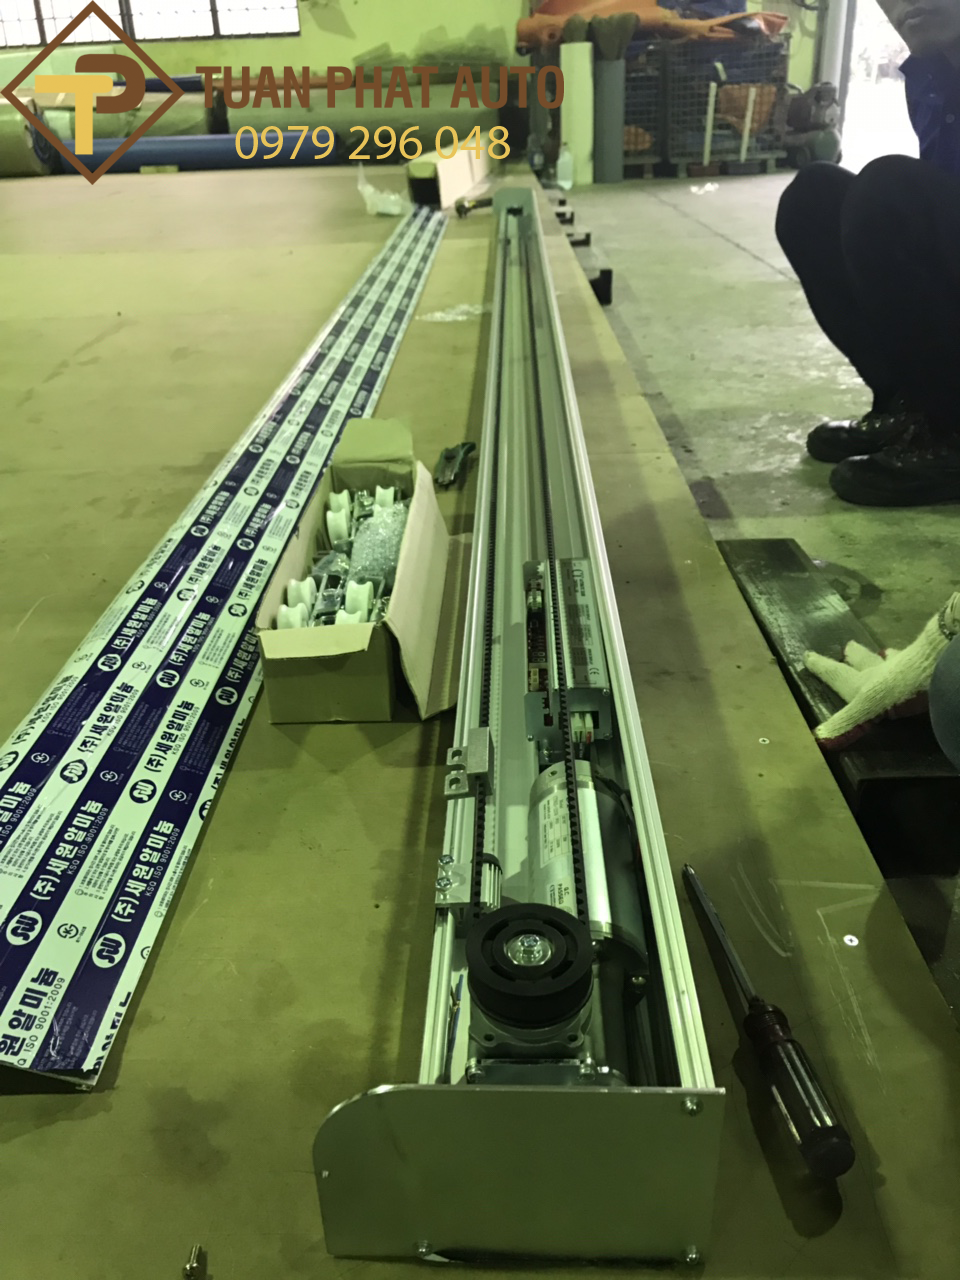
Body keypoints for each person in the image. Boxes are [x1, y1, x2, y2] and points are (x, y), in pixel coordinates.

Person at [775, 0, 960, 506]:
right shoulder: (928, 74)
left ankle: (953, 431)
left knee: (889, 190)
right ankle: (914, 406)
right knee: (815, 197)